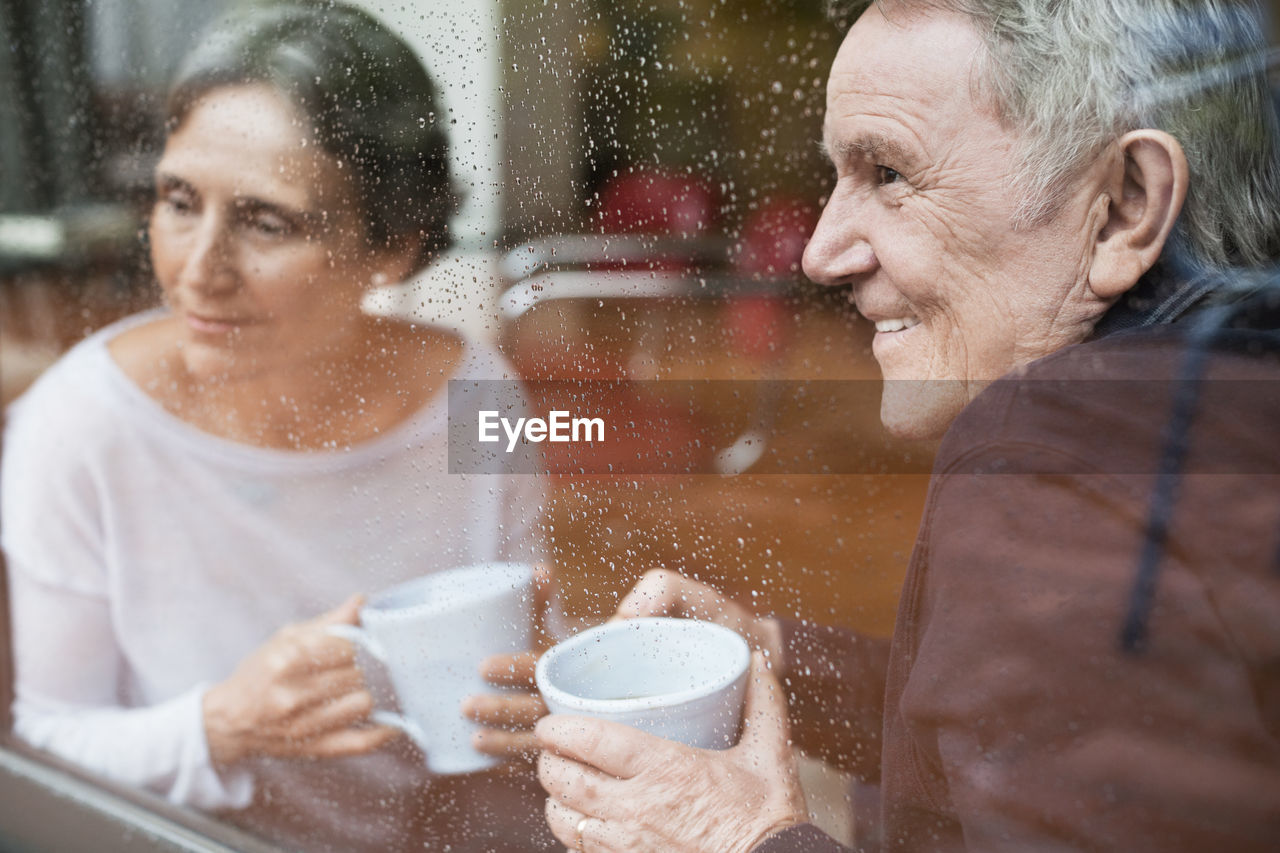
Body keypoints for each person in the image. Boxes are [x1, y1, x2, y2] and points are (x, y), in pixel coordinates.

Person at [534, 0, 1280, 850]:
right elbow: (1067, 715)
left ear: (1121, 205)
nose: (820, 252)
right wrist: (775, 659)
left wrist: (735, 836)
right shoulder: (1212, 401)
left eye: (888, 173)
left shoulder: (1045, 466)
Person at [2, 3, 552, 851]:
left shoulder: (481, 397)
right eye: (178, 201)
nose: (197, 269)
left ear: (395, 246)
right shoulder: (77, 428)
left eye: (266, 221)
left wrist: (542, 692)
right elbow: (45, 746)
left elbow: (511, 656)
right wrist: (224, 725)